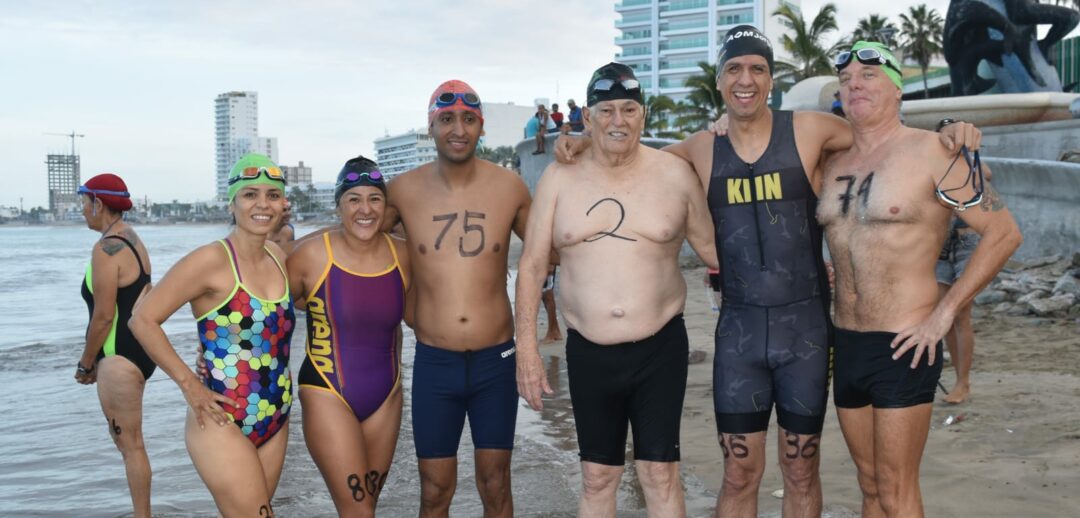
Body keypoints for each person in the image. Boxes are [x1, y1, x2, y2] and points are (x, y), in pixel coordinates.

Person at [552, 27, 982, 518]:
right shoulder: (698, 149)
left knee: (801, 471)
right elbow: (628, 158)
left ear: (771, 80)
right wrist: (582, 146)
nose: (746, 78)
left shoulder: (812, 129)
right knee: (738, 475)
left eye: (757, 68)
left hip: (807, 336)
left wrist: (953, 127)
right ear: (719, 81)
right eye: (734, 68)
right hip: (739, 335)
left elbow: (883, 135)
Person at [820, 41, 1021, 517]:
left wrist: (942, 317)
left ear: (897, 89)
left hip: (904, 343)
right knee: (868, 486)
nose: (855, 85)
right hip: (846, 342)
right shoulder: (831, 165)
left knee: (896, 490)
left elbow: (1003, 233)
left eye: (868, 76)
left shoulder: (934, 151)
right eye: (846, 80)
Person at [515, 62, 719, 518]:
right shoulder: (558, 178)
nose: (618, 121)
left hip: (661, 346)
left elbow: (715, 251)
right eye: (606, 111)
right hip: (589, 350)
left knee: (659, 474)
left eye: (629, 109)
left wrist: (799, 267)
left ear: (643, 115)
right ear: (587, 118)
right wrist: (527, 350)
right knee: (597, 477)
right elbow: (531, 266)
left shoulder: (674, 174)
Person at [385, 79, 531, 518]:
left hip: (496, 362)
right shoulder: (401, 191)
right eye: (446, 119)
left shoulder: (510, 188)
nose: (458, 129)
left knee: (496, 484)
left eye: (469, 119)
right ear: (430, 126)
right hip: (434, 363)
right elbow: (358, 245)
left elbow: (555, 249)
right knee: (434, 490)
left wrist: (579, 155)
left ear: (480, 127)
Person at [130, 153, 294, 517]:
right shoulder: (211, 260)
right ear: (232, 202)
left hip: (276, 416)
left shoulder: (278, 257)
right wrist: (190, 385)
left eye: (272, 195)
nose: (262, 204)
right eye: (250, 194)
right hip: (221, 419)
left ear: (283, 204)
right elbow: (142, 319)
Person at [289, 156, 410, 516]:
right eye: (353, 199)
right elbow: (264, 307)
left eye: (374, 199)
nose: (365, 209)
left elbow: (420, 315)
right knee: (358, 511)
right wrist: (215, 352)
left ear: (385, 206)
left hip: (387, 396)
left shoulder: (403, 255)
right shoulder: (310, 255)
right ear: (339, 205)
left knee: (368, 505)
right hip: (327, 391)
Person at [76, 173, 155, 518]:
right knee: (132, 443)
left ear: (99, 203)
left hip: (118, 357)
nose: (82, 212)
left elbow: (104, 316)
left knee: (130, 446)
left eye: (84, 204)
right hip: (139, 350)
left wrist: (86, 362)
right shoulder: (134, 240)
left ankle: (143, 516)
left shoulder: (106, 250)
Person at [936, 216, 980, 404]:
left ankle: (963, 382)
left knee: (961, 315)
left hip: (968, 238)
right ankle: (958, 380)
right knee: (945, 315)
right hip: (939, 239)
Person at [539, 264, 562, 343]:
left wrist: (550, 264)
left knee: (547, 293)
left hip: (546, 260)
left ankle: (553, 332)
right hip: (544, 260)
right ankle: (555, 330)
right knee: (545, 293)